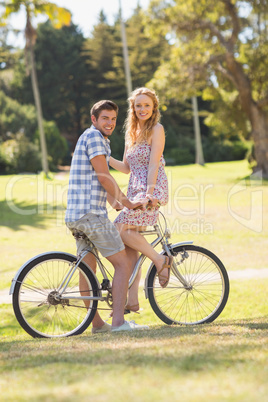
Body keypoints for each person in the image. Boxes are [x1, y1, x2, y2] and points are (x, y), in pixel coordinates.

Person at [65, 100, 149, 333]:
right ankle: (119, 323)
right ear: (94, 119)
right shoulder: (94, 138)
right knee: (123, 264)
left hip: (78, 214)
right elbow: (104, 176)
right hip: (91, 216)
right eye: (105, 118)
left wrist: (115, 202)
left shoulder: (97, 139)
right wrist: (129, 202)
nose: (110, 123)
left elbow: (99, 180)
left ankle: (98, 325)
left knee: (87, 269)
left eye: (113, 119)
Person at [109, 88, 172, 314]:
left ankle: (159, 259)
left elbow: (154, 163)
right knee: (129, 244)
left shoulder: (157, 129)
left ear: (154, 106)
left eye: (146, 105)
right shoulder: (131, 132)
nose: (142, 109)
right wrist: (104, 157)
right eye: (138, 105)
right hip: (134, 189)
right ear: (133, 108)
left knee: (119, 229)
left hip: (151, 189)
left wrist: (149, 192)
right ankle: (132, 301)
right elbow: (127, 168)